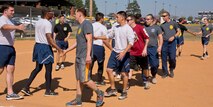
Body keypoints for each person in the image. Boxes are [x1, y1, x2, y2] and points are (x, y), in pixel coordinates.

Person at [64, 8, 104, 107]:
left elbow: (89, 40)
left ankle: (100, 93)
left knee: (85, 79)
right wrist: (66, 50)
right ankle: (78, 100)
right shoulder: (80, 26)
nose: (74, 15)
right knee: (79, 79)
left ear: (80, 14)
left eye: (75, 14)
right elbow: (78, 42)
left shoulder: (86, 24)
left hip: (84, 57)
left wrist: (88, 56)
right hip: (78, 56)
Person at [21, 8, 63, 96]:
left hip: (37, 46)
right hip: (45, 47)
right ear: (47, 14)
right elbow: (49, 38)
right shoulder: (47, 23)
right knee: (48, 69)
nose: (52, 14)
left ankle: (26, 87)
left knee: (38, 68)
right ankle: (48, 91)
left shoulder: (39, 22)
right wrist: (59, 49)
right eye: (51, 12)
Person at [104, 11, 135, 100]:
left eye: (117, 17)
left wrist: (123, 52)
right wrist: (96, 37)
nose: (116, 18)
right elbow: (108, 36)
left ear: (122, 18)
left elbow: (131, 43)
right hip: (115, 52)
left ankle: (124, 91)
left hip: (124, 53)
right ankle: (113, 89)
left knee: (124, 73)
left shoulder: (128, 29)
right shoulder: (115, 27)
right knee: (109, 70)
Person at [0, 4, 25, 100]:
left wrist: (20, 29)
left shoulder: (10, 20)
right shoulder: (2, 19)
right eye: (11, 10)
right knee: (1, 69)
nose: (13, 12)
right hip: (2, 47)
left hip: (10, 47)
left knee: (11, 69)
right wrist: (17, 27)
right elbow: (4, 27)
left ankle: (10, 93)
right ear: (5, 11)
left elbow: (10, 29)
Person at [127, 14, 150, 89]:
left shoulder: (140, 28)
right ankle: (127, 83)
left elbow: (147, 38)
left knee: (145, 68)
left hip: (141, 51)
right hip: (132, 52)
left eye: (128, 20)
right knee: (130, 68)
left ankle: (146, 81)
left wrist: (145, 48)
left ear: (132, 20)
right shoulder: (127, 29)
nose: (127, 21)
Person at [90, 12, 112, 85]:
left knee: (90, 64)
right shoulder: (103, 27)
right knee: (100, 64)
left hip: (91, 46)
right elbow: (105, 39)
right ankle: (99, 80)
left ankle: (88, 81)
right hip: (99, 47)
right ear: (101, 19)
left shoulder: (91, 25)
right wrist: (111, 48)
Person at [160, 11, 181, 78]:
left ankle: (171, 69)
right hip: (164, 43)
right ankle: (165, 72)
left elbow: (178, 31)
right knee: (164, 59)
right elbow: (160, 34)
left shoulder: (174, 23)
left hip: (172, 43)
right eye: (162, 16)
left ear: (168, 16)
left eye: (164, 16)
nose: (163, 17)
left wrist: (174, 37)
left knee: (172, 58)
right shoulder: (162, 25)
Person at [145, 14, 163, 84]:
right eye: (145, 19)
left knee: (155, 65)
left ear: (152, 20)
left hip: (153, 48)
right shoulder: (143, 27)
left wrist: (160, 46)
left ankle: (153, 76)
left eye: (148, 19)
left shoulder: (157, 28)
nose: (146, 20)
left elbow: (160, 37)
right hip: (145, 48)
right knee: (145, 65)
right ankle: (146, 79)